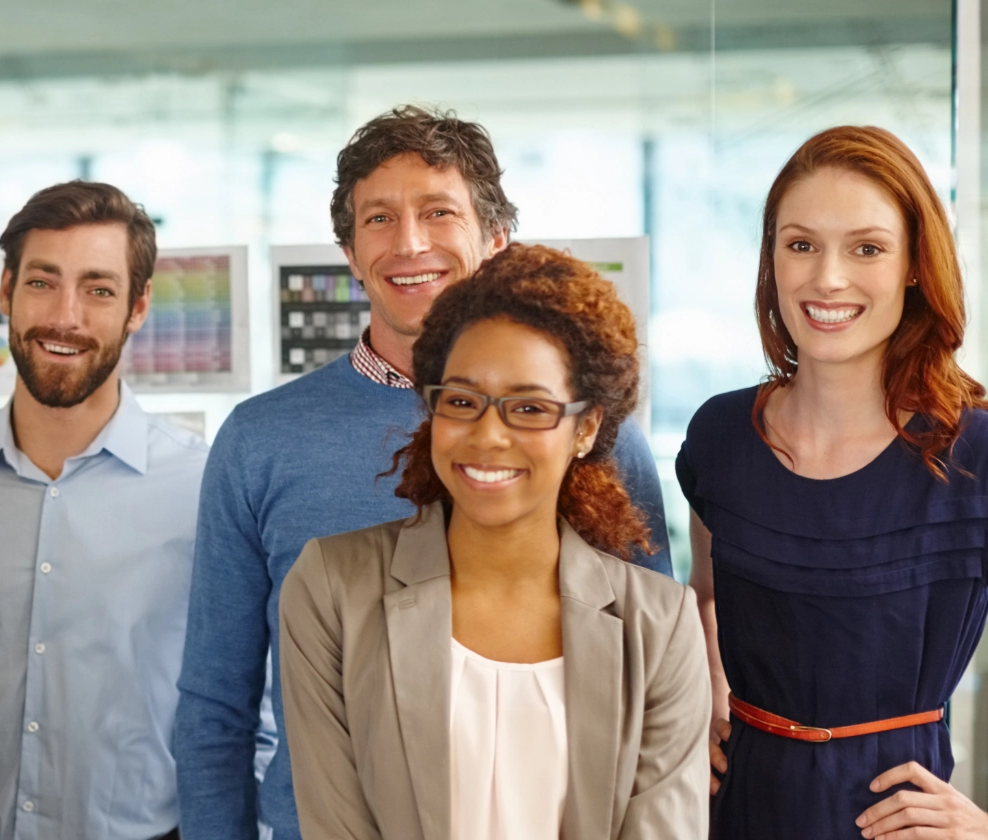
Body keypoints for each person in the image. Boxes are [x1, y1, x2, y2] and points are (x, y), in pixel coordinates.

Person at [175, 104, 674, 839]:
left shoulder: (584, 430)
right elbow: (216, 706)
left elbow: (647, 681)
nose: (409, 243)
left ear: (495, 238)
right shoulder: (261, 441)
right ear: (349, 251)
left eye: (438, 211)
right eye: (379, 219)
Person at [682, 126, 988, 838]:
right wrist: (707, 696)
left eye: (866, 248)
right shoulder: (720, 436)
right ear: (771, 258)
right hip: (734, 812)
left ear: (912, 266)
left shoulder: (986, 459)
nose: (827, 278)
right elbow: (705, 596)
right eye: (800, 244)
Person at [281, 243, 708, 839]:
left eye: (529, 408)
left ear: (584, 428)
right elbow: (335, 823)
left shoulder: (659, 626)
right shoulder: (332, 588)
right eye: (460, 401)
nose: (487, 435)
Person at [0, 181, 208, 840]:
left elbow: (247, 710)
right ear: (6, 293)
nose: (65, 317)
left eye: (98, 290)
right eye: (43, 283)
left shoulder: (203, 490)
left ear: (138, 307)